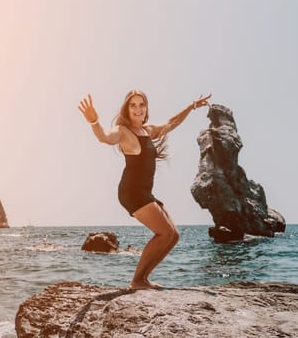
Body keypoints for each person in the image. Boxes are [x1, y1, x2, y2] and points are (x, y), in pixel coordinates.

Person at [78, 90, 211, 289]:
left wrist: (191, 106)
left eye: (142, 104)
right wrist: (94, 121)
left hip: (145, 192)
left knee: (173, 235)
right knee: (164, 233)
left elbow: (171, 123)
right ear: (127, 109)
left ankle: (143, 279)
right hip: (132, 191)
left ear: (146, 108)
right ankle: (137, 281)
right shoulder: (123, 131)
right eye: (133, 105)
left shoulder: (148, 131)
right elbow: (104, 137)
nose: (138, 109)